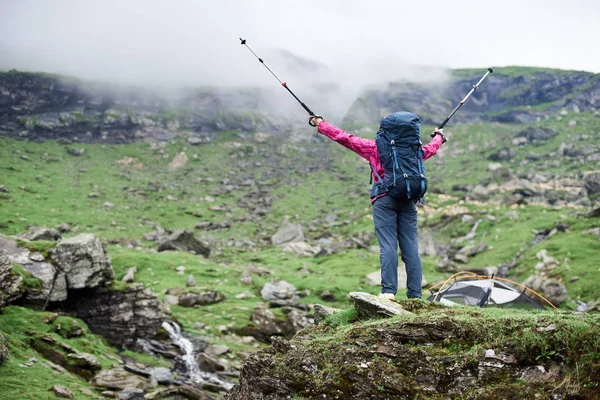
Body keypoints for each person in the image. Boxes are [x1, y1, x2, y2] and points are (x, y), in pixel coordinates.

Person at [310, 113, 446, 301]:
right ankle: (415, 296)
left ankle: (389, 291)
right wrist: (439, 136)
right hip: (408, 200)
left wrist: (320, 124)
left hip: (384, 199)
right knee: (411, 247)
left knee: (388, 245)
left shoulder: (375, 148)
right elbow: (431, 148)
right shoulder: (415, 150)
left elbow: (344, 138)